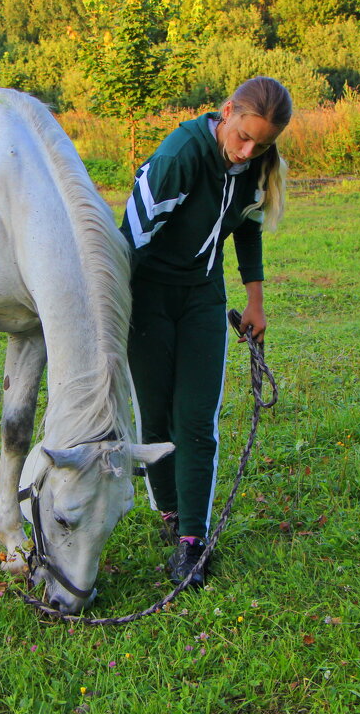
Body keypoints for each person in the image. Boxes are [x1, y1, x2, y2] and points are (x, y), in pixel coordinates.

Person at [121, 76, 292, 588]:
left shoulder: (256, 163)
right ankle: (171, 511)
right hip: (147, 298)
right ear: (226, 113)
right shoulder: (180, 157)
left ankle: (192, 540)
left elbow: (247, 224)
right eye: (243, 136)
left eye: (262, 143)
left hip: (202, 298)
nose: (248, 150)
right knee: (157, 417)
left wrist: (255, 299)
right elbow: (128, 244)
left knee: (196, 419)